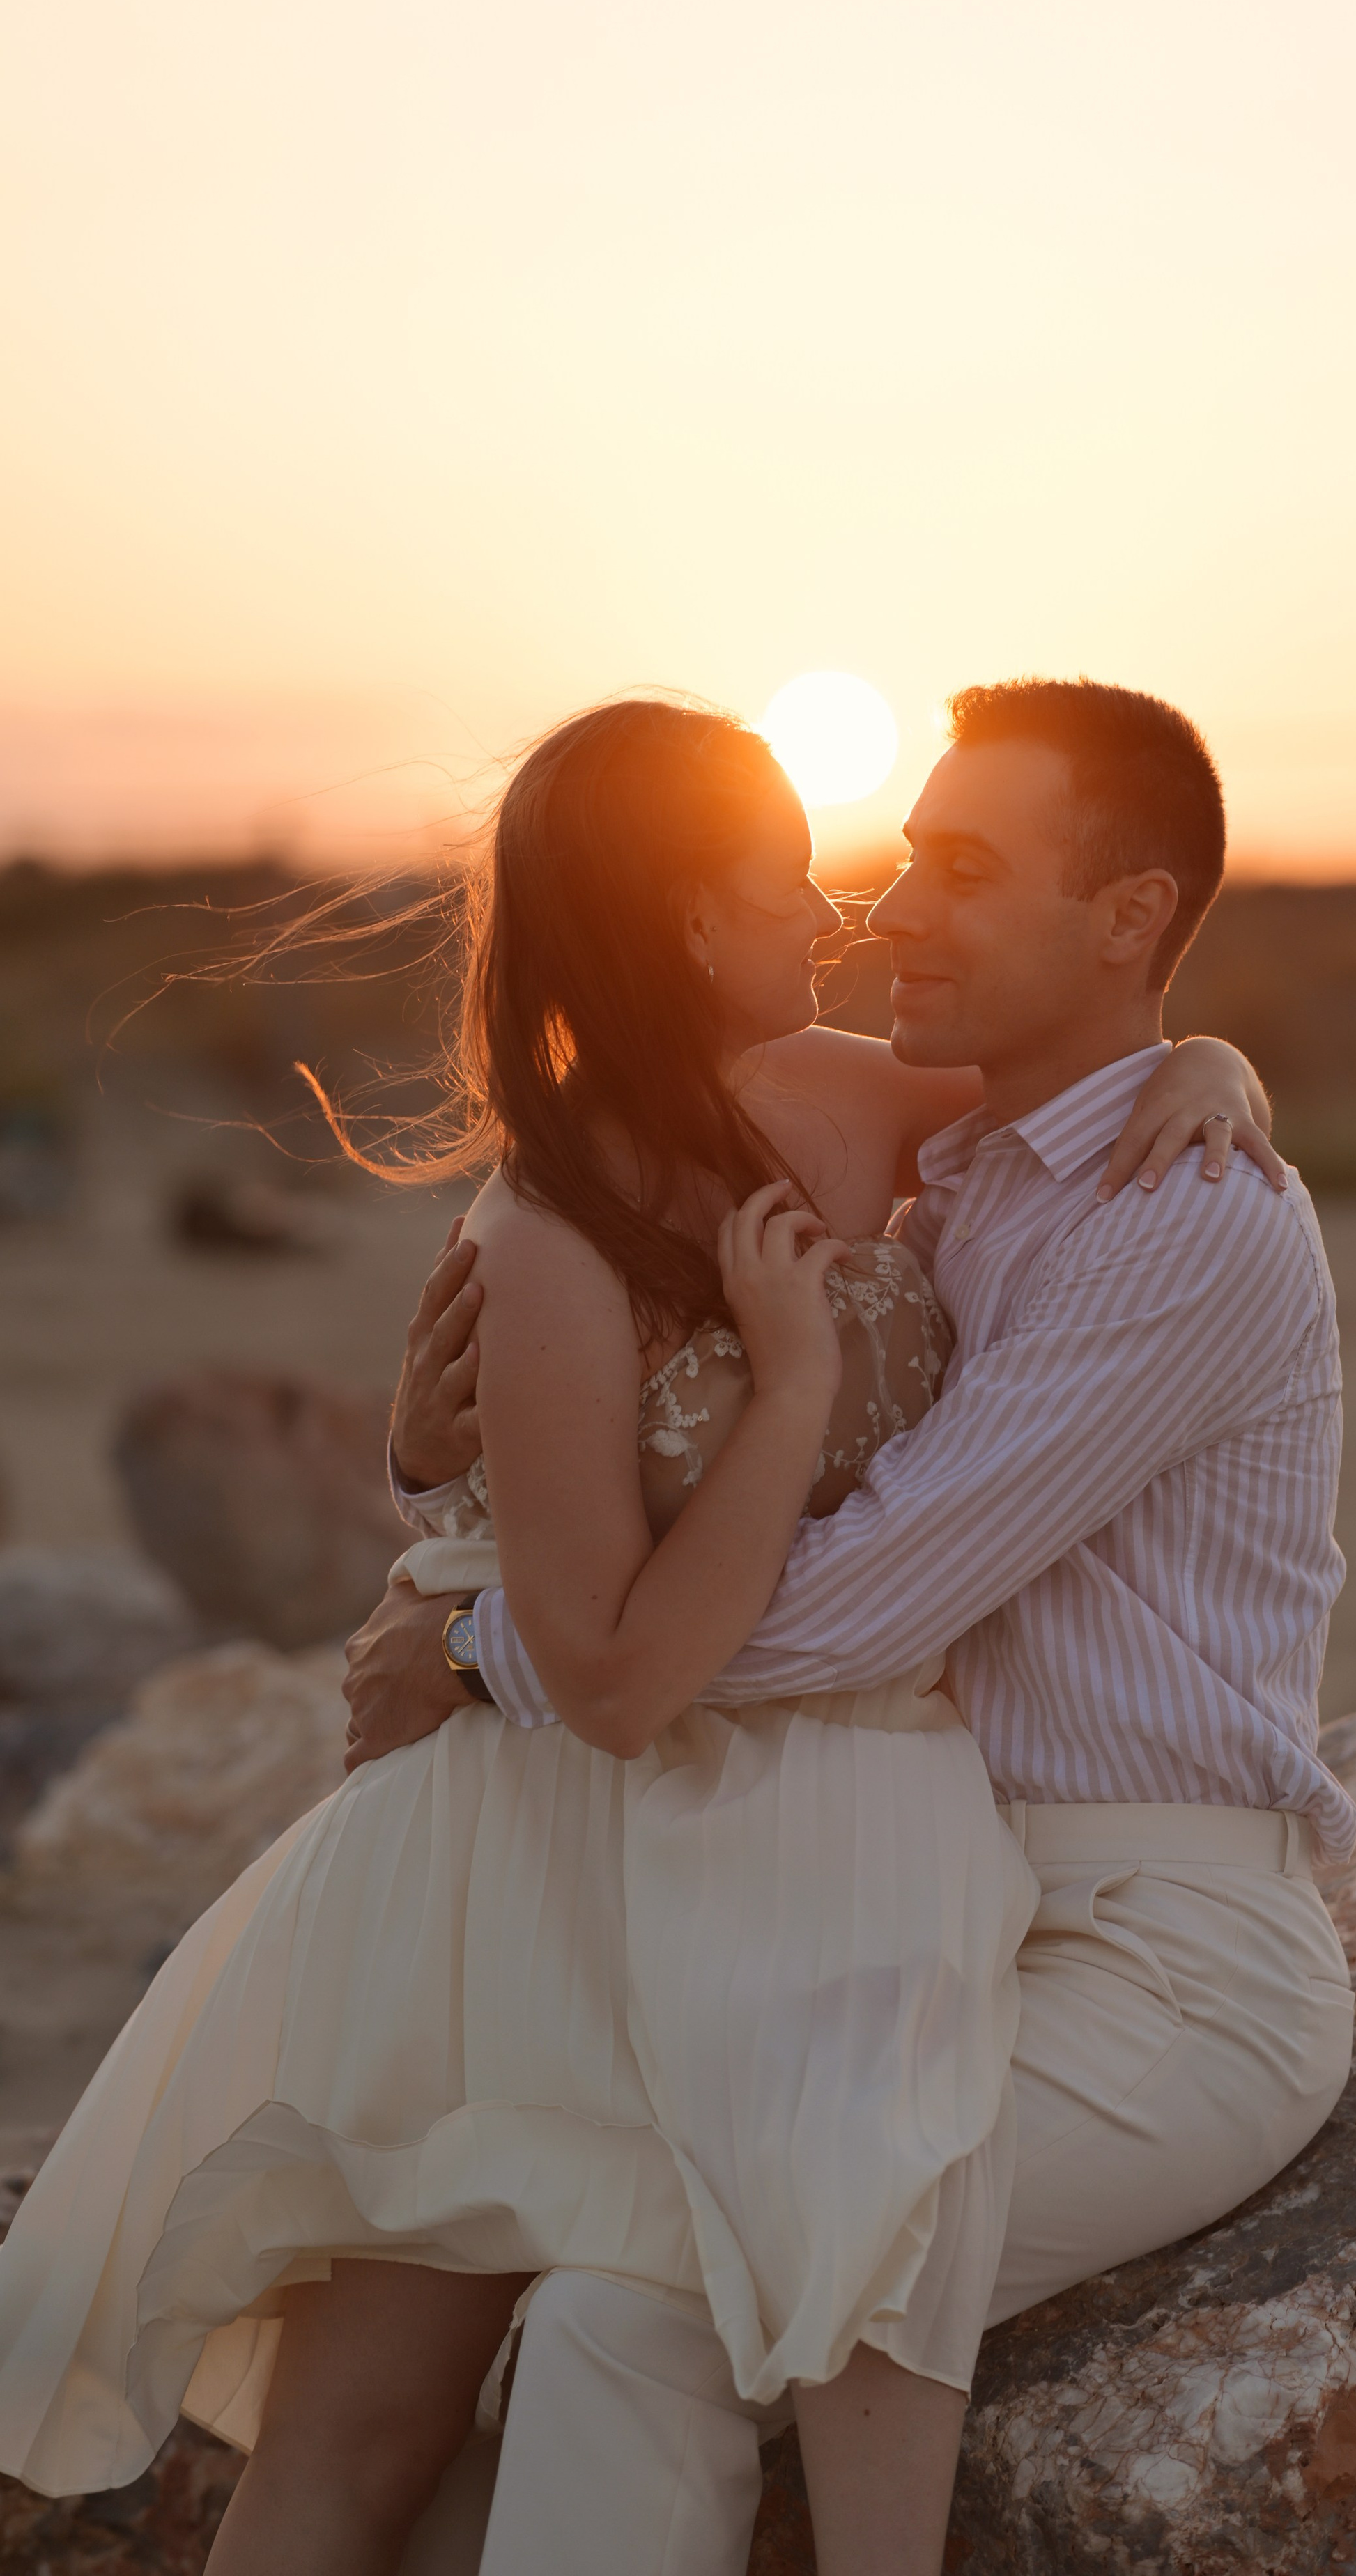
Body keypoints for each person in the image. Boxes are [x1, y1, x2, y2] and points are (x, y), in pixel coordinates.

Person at [0, 691, 1269, 2576]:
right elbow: (593, 1654)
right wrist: (752, 1407)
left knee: (648, 2296)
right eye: (784, 881)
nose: (836, 917)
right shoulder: (553, 1219)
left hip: (754, 1846)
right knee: (368, 2426)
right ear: (689, 918)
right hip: (524, 1858)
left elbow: (1078, 1077)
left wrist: (1224, 1062)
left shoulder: (850, 1093)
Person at [350, 676, 1356, 2576]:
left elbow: (861, 1596)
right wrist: (434, 1497)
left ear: (1129, 917)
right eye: (899, 858)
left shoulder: (1190, 1221)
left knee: (644, 2295)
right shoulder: (933, 1171)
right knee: (582, 2293)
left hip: (1167, 1963)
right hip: (916, 1920)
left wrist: (495, 1665)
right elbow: (619, 1425)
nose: (892, 909)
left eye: (963, 871)